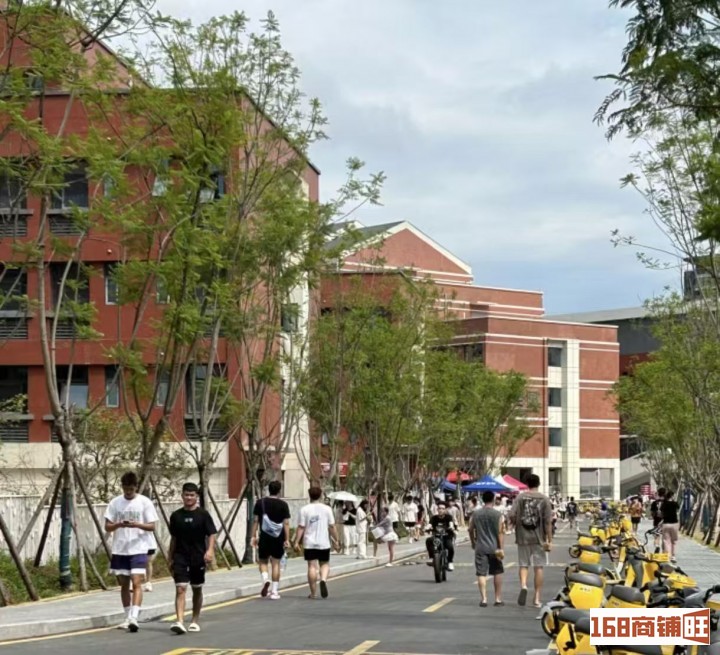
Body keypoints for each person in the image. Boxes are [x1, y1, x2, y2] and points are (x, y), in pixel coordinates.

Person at [104, 471, 158, 632]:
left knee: (136, 582)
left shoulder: (144, 502)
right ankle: (127, 616)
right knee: (124, 584)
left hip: (139, 548)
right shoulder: (115, 503)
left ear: (136, 487)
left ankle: (134, 617)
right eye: (126, 489)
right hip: (120, 549)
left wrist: (137, 524)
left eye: (131, 489)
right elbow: (107, 526)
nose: (128, 492)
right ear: (122, 487)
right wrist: (119, 524)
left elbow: (152, 526)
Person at [168, 482, 217, 634]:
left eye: (192, 495)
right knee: (180, 588)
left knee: (197, 589)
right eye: (186, 495)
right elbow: (174, 538)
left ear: (196, 497)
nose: (189, 498)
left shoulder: (203, 515)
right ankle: (180, 621)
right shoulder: (176, 516)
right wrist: (170, 557)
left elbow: (212, 534)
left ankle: (194, 620)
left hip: (198, 556)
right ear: (182, 496)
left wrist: (210, 550)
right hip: (180, 556)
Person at [507, 474, 552, 609]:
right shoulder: (544, 499)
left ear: (527, 484)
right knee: (539, 567)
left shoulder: (520, 497)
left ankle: (524, 585)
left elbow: (512, 514)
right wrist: (549, 539)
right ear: (539, 483)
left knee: (523, 565)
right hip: (539, 538)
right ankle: (537, 598)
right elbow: (548, 521)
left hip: (523, 537)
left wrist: (514, 523)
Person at [293, 487, 340, 599]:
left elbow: (301, 527)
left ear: (309, 495)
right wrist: (336, 540)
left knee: (311, 566)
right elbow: (332, 526)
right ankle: (323, 580)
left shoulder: (304, 509)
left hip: (309, 543)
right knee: (324, 564)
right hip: (323, 542)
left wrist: (296, 542)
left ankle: (313, 593)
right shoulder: (327, 509)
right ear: (320, 495)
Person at [251, 480, 291, 600]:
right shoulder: (283, 505)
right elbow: (286, 523)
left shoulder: (260, 502)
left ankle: (265, 579)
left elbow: (256, 521)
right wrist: (287, 539)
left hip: (264, 537)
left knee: (263, 561)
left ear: (269, 489)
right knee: (276, 563)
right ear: (279, 491)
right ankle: (274, 591)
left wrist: (253, 536)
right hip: (278, 537)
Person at [469, 491, 505, 607]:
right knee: (497, 572)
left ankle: (484, 599)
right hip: (495, 548)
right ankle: (498, 599)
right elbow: (500, 532)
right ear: (493, 500)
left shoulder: (476, 514)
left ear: (483, 500)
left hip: (481, 547)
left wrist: (473, 542)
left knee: (481, 573)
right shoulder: (498, 514)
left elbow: (470, 529)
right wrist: (501, 548)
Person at [425, 502, 456, 571]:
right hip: (437, 537)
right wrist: (427, 527)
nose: (441, 510)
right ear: (437, 509)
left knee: (450, 547)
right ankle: (431, 557)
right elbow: (430, 524)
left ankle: (450, 562)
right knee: (428, 540)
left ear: (445, 510)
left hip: (446, 537)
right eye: (439, 508)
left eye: (443, 508)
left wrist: (451, 527)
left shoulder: (448, 517)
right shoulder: (434, 518)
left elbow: (451, 523)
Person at [661, 490, 680, 562]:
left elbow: (661, 513)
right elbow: (677, 511)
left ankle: (667, 556)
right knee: (673, 541)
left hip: (666, 524)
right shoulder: (675, 503)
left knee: (666, 541)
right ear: (672, 496)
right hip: (674, 523)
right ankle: (673, 556)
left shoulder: (664, 504)